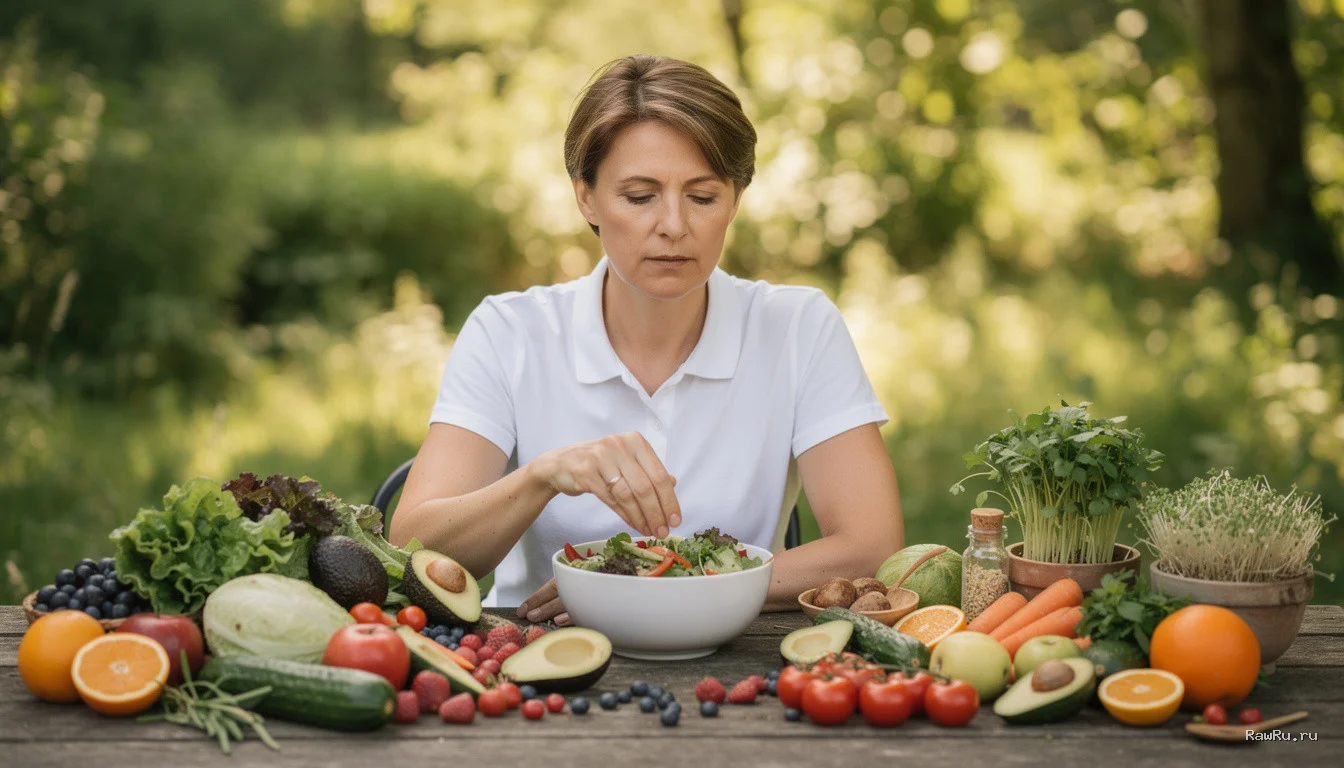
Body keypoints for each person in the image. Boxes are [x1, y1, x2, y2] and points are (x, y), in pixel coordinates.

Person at [389, 54, 903, 624]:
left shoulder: (798, 327)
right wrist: (542, 476)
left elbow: (871, 545)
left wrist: (653, 583)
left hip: (738, 659)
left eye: (703, 197)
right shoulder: (510, 332)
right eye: (640, 196)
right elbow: (415, 545)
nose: (674, 225)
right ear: (586, 196)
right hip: (537, 656)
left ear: (735, 198)